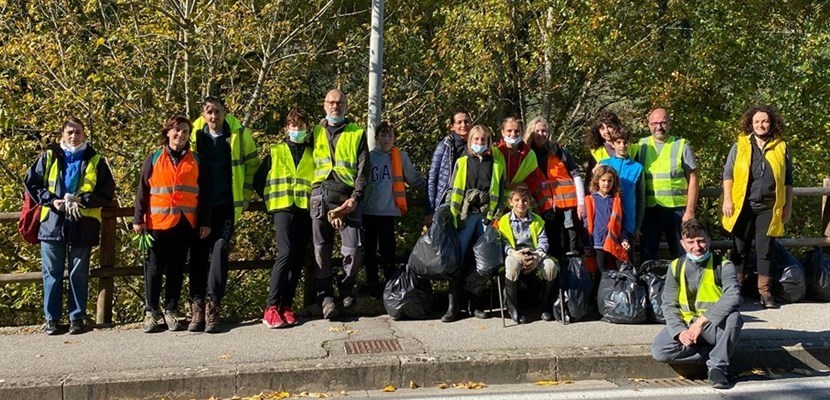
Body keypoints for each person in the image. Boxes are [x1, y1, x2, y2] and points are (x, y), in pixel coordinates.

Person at [24, 117, 116, 335]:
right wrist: (51, 200)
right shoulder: (48, 156)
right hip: (52, 221)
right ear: (62, 135)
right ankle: (51, 319)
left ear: (84, 134)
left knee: (79, 272)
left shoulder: (95, 159)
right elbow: (31, 183)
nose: (74, 136)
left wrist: (83, 200)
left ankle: (77, 317)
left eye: (78, 132)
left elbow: (107, 190)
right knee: (52, 273)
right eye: (70, 132)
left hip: (82, 221)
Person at [188, 96, 260, 333]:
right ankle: (197, 305)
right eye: (209, 112)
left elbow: (252, 165)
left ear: (225, 112)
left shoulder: (238, 134)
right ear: (203, 114)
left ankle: (214, 304)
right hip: (198, 206)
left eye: (217, 111)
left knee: (219, 251)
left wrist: (246, 194)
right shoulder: (193, 134)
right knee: (198, 255)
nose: (213, 116)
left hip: (225, 205)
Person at [133, 115, 211, 333]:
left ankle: (171, 309)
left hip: (185, 222)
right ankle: (151, 312)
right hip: (157, 222)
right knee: (154, 268)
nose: (180, 135)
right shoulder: (154, 157)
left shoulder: (196, 160)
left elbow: (204, 194)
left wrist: (205, 221)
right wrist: (138, 219)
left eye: (185, 132)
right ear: (167, 133)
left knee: (177, 268)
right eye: (176, 131)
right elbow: (142, 190)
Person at [652, 219, 743, 389]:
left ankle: (717, 367)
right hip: (686, 324)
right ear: (683, 244)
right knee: (660, 351)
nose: (697, 246)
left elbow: (733, 296)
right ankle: (715, 353)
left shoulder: (723, 265)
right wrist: (679, 331)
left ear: (708, 240)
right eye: (691, 242)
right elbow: (668, 304)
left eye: (701, 240)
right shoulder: (675, 267)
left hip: (711, 325)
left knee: (734, 319)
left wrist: (700, 323)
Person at [721, 105, 793, 309]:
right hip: (742, 204)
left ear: (772, 123)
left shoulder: (781, 146)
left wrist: (787, 205)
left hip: (769, 207)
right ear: (750, 124)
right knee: (739, 248)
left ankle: (765, 292)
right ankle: (736, 290)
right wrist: (728, 199)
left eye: (765, 121)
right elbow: (728, 173)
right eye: (757, 122)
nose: (761, 125)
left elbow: (788, 180)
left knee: (765, 250)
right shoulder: (740, 144)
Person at [310, 89, 369, 319]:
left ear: (346, 105)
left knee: (354, 250)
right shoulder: (313, 132)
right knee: (320, 249)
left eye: (340, 102)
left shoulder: (357, 132)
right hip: (320, 195)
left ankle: (345, 285)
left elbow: (363, 170)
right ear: (324, 105)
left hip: (347, 197)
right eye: (331, 102)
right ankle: (325, 296)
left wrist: (356, 197)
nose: (336, 106)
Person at [253, 108, 314, 329]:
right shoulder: (276, 151)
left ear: (307, 129)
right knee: (285, 253)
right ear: (287, 129)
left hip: (304, 209)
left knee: (297, 257)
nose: (297, 130)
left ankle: (286, 305)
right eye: (293, 126)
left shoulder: (312, 152)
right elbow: (259, 179)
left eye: (301, 126)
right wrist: (269, 200)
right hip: (283, 208)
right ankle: (271, 307)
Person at [444, 125, 505, 322]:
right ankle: (453, 306)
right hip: (463, 217)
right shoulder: (462, 163)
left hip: (485, 218)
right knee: (457, 260)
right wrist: (450, 216)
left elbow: (500, 195)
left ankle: (475, 304)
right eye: (476, 139)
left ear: (489, 143)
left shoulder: (496, 166)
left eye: (483, 140)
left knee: (481, 262)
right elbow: (452, 190)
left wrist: (494, 217)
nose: (479, 143)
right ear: (470, 141)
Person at [363, 121, 427, 298]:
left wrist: (432, 191)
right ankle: (372, 285)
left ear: (395, 138)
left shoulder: (400, 157)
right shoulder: (367, 157)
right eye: (383, 135)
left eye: (390, 135)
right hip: (368, 211)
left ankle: (390, 285)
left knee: (388, 251)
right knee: (368, 252)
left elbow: (414, 178)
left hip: (389, 211)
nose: (386, 139)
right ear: (376, 138)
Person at [635, 108, 700, 261]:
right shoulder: (640, 146)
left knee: (681, 253)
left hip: (677, 210)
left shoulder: (681, 145)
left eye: (663, 122)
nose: (659, 126)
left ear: (669, 124)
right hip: (650, 210)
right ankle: (649, 284)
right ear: (649, 124)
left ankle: (684, 283)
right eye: (655, 123)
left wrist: (690, 210)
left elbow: (693, 178)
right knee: (647, 254)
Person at [526, 116, 586, 262]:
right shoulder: (526, 154)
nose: (541, 134)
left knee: (572, 250)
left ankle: (573, 281)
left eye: (544, 131)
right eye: (537, 131)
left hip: (569, 207)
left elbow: (576, 174)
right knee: (551, 249)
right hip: (545, 209)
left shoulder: (559, 151)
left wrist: (581, 203)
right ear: (531, 132)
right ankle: (555, 283)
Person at [497, 187, 559, 323]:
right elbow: (502, 242)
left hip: (534, 253)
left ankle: (544, 305)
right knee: (512, 267)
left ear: (529, 202)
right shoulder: (503, 221)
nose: (521, 204)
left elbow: (543, 241)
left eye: (524, 200)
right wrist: (514, 253)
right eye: (517, 200)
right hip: (515, 253)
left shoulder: (537, 220)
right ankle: (513, 307)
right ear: (510, 202)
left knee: (550, 266)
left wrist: (537, 257)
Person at [598, 127, 645, 261]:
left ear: (630, 144)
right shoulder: (604, 164)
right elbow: (595, 192)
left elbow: (641, 199)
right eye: (618, 142)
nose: (622, 146)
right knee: (605, 263)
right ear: (612, 144)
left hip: (627, 222)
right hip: (606, 222)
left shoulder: (638, 168)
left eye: (625, 142)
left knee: (625, 260)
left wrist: (637, 226)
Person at [427, 110, 472, 226]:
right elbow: (433, 177)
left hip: (468, 202)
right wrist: (430, 209)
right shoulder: (445, 146)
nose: (463, 125)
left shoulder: (477, 145)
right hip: (446, 200)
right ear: (452, 126)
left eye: (466, 121)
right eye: (459, 122)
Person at [583, 165, 630, 272]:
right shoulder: (590, 200)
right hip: (598, 243)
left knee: (618, 271)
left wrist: (624, 239)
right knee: (601, 272)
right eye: (603, 180)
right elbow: (586, 224)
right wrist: (586, 244)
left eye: (610, 181)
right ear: (597, 181)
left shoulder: (616, 200)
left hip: (614, 242)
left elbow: (621, 223)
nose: (606, 184)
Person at [492, 117, 543, 191]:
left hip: (520, 200)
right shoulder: (494, 152)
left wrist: (510, 186)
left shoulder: (530, 155)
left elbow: (533, 183)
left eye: (517, 131)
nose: (513, 134)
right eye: (509, 131)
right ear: (502, 132)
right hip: (497, 201)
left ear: (522, 132)